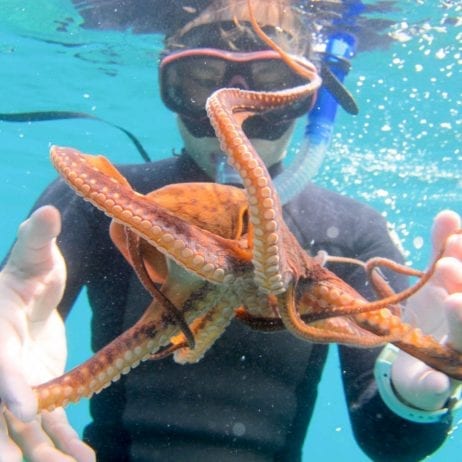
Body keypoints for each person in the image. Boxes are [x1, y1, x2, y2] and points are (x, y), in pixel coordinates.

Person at [0, 1, 461, 461]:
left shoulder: (355, 230)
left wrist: (412, 397)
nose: (237, 117)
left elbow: (388, 440)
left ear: (307, 96)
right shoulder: (90, 205)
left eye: (275, 82)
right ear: (169, 86)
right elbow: (15, 331)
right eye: (200, 80)